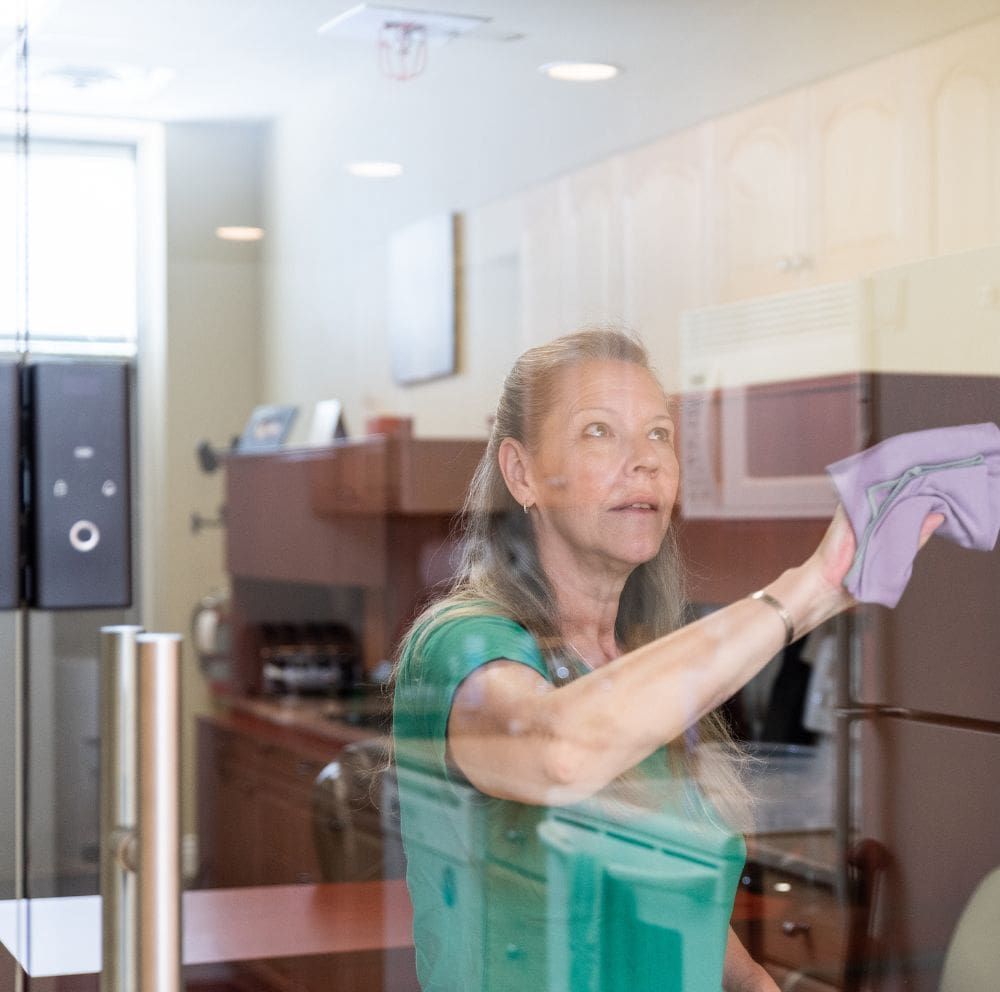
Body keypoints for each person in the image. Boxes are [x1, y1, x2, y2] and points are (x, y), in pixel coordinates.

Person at [391, 327, 942, 992]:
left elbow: (677, 903)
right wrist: (804, 591)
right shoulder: (457, 645)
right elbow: (558, 751)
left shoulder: (644, 666)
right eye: (599, 431)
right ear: (521, 471)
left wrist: (757, 985)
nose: (645, 460)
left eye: (659, 434)